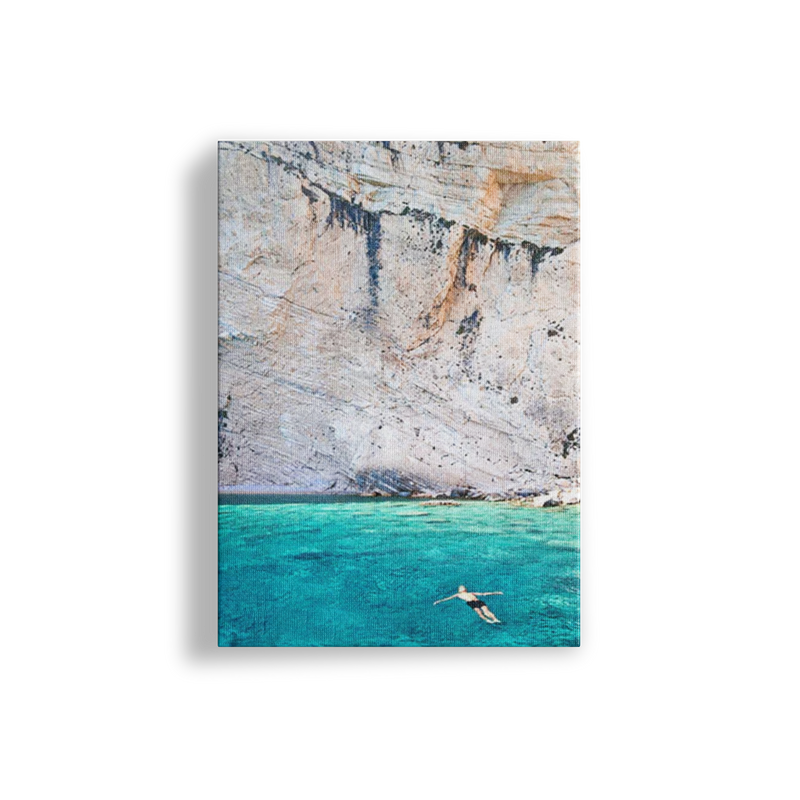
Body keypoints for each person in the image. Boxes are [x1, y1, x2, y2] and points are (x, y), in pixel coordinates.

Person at [433, 585, 503, 623]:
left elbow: (448, 598)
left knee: (480, 613)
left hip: (472, 603)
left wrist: (438, 601)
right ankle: (494, 619)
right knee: (486, 612)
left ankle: (489, 620)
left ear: (460, 591)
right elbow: (483, 594)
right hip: (477, 601)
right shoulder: (470, 593)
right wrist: (496, 592)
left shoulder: (458, 595)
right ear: (465, 590)